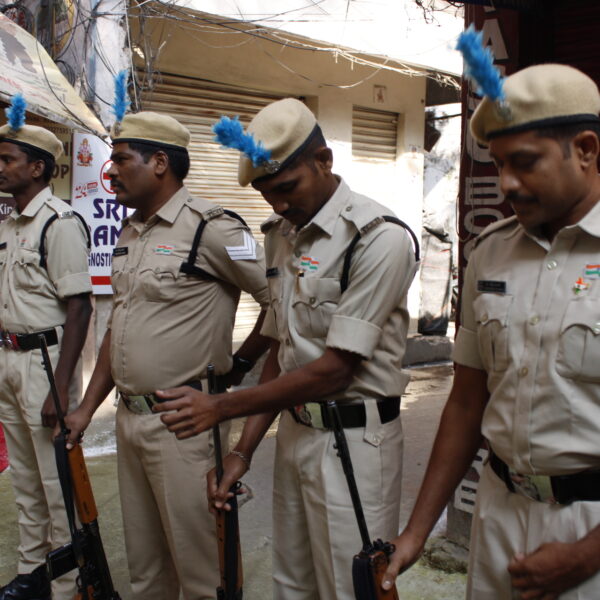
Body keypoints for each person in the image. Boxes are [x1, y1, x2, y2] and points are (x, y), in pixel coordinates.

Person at [154, 98, 419, 599]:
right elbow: (279, 348)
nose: (276, 204)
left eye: (285, 188)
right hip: (296, 431)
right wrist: (243, 452)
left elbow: (336, 370)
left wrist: (220, 406)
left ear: (324, 161)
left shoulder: (377, 238)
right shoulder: (283, 237)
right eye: (264, 193)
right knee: (291, 584)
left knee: (352, 585)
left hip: (355, 443)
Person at [381, 63, 600, 599]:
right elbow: (466, 403)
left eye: (524, 164)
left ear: (587, 149)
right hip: (500, 508)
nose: (505, 185)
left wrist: (584, 555)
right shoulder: (491, 250)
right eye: (499, 165)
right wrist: (415, 531)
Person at [62, 111, 271, 600]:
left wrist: (238, 364)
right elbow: (119, 328)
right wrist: (88, 408)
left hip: (186, 427)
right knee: (147, 572)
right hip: (131, 424)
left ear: (160, 162)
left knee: (203, 572)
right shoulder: (130, 232)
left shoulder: (214, 229)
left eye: (120, 159)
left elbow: (279, 303)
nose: (109, 171)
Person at [0, 108, 93, 599]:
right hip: (8, 360)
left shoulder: (59, 223)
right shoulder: (10, 224)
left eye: (8, 159)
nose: (0, 166)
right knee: (25, 481)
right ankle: (32, 572)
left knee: (57, 484)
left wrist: (61, 386)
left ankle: (67, 585)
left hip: (44, 364)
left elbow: (79, 309)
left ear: (37, 167)